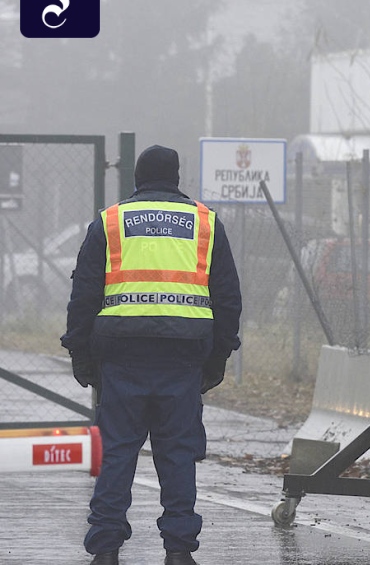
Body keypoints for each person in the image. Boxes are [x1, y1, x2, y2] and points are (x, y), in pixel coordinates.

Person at [61, 145, 242, 565]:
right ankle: (178, 548)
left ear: (137, 179)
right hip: (183, 357)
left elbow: (84, 293)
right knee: (178, 453)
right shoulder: (205, 223)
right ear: (176, 178)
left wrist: (79, 351)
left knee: (116, 451)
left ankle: (106, 547)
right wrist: (219, 356)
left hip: (121, 357)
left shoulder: (110, 222)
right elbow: (228, 298)